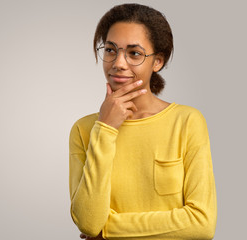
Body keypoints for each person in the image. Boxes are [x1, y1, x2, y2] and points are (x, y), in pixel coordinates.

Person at [69, 3, 217, 240]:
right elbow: (88, 222)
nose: (118, 62)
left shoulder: (187, 122)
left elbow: (202, 223)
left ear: (157, 61)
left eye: (134, 53)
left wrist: (107, 229)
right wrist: (105, 129)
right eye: (110, 50)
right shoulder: (84, 130)